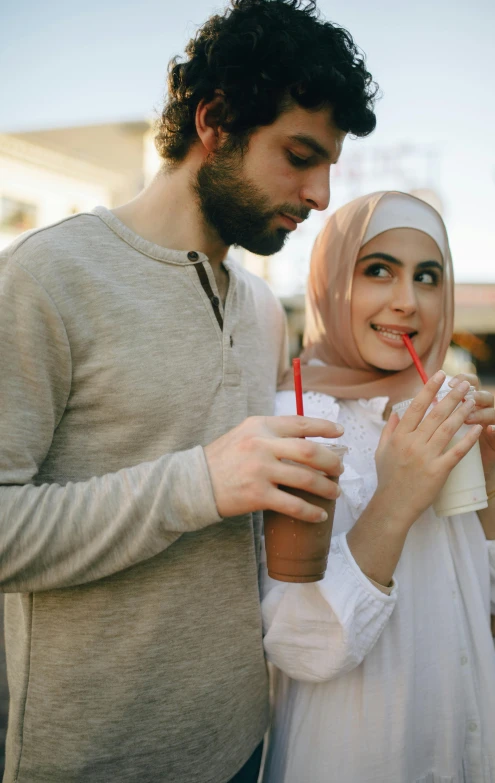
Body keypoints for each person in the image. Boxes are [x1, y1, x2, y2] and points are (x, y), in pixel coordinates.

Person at [0, 2, 379, 782]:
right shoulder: (46, 279)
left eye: (329, 166)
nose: (318, 195)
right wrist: (198, 482)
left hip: (245, 740)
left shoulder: (262, 310)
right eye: (300, 155)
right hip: (94, 758)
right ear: (215, 121)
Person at [262, 191, 495, 782]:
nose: (407, 302)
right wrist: (397, 500)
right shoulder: (296, 420)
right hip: (355, 755)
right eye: (378, 269)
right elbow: (302, 646)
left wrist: (489, 485)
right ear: (331, 281)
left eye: (427, 277)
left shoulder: (443, 404)